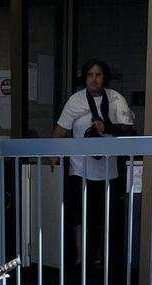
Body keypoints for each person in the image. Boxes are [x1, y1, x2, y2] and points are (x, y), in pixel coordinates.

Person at [51, 59, 134, 267]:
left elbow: (128, 130)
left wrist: (107, 127)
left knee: (101, 217)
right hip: (80, 167)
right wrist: (52, 153)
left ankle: (99, 257)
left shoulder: (115, 99)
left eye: (98, 75)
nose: (94, 79)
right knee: (79, 214)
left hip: (108, 169)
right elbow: (60, 130)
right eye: (90, 75)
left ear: (104, 77)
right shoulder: (76, 101)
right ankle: (81, 255)